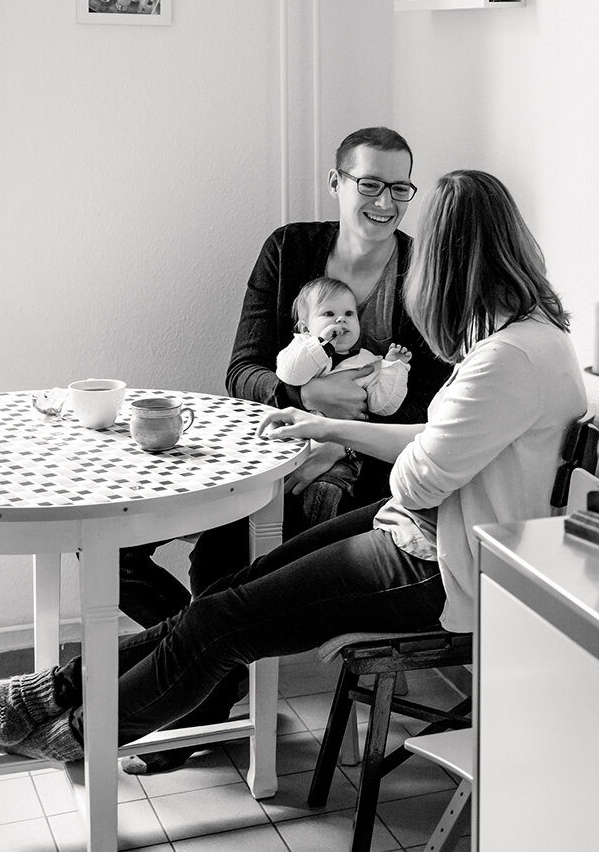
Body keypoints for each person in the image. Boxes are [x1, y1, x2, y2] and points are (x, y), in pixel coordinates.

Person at [0, 169, 588, 765]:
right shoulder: (534, 337)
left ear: (447, 263)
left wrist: (411, 449)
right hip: (429, 533)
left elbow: (422, 473)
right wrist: (328, 423)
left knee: (220, 623)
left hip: (440, 564)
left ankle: (71, 731)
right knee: (223, 599)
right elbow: (444, 440)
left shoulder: (506, 359)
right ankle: (32, 693)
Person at [111, 126, 449, 769]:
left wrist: (344, 431)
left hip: (358, 479)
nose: (385, 201)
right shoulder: (290, 250)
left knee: (223, 554)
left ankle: (199, 708)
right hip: (262, 451)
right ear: (336, 183)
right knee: (113, 551)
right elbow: (241, 372)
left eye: (400, 187)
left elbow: (429, 409)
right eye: (368, 183)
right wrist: (308, 401)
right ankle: (211, 671)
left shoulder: (421, 276)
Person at [275, 274, 413, 525]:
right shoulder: (304, 350)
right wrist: (321, 344)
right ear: (306, 328)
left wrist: (394, 368)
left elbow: (383, 406)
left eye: (350, 314)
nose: (341, 319)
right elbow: (290, 374)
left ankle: (312, 549)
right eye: (328, 314)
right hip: (290, 447)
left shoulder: (368, 362)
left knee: (326, 490)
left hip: (342, 454)